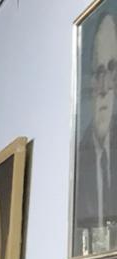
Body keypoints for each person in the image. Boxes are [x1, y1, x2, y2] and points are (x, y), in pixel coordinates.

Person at [76, 12, 117, 243]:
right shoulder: (79, 162)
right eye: (98, 72)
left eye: (111, 69)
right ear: (90, 82)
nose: (104, 87)